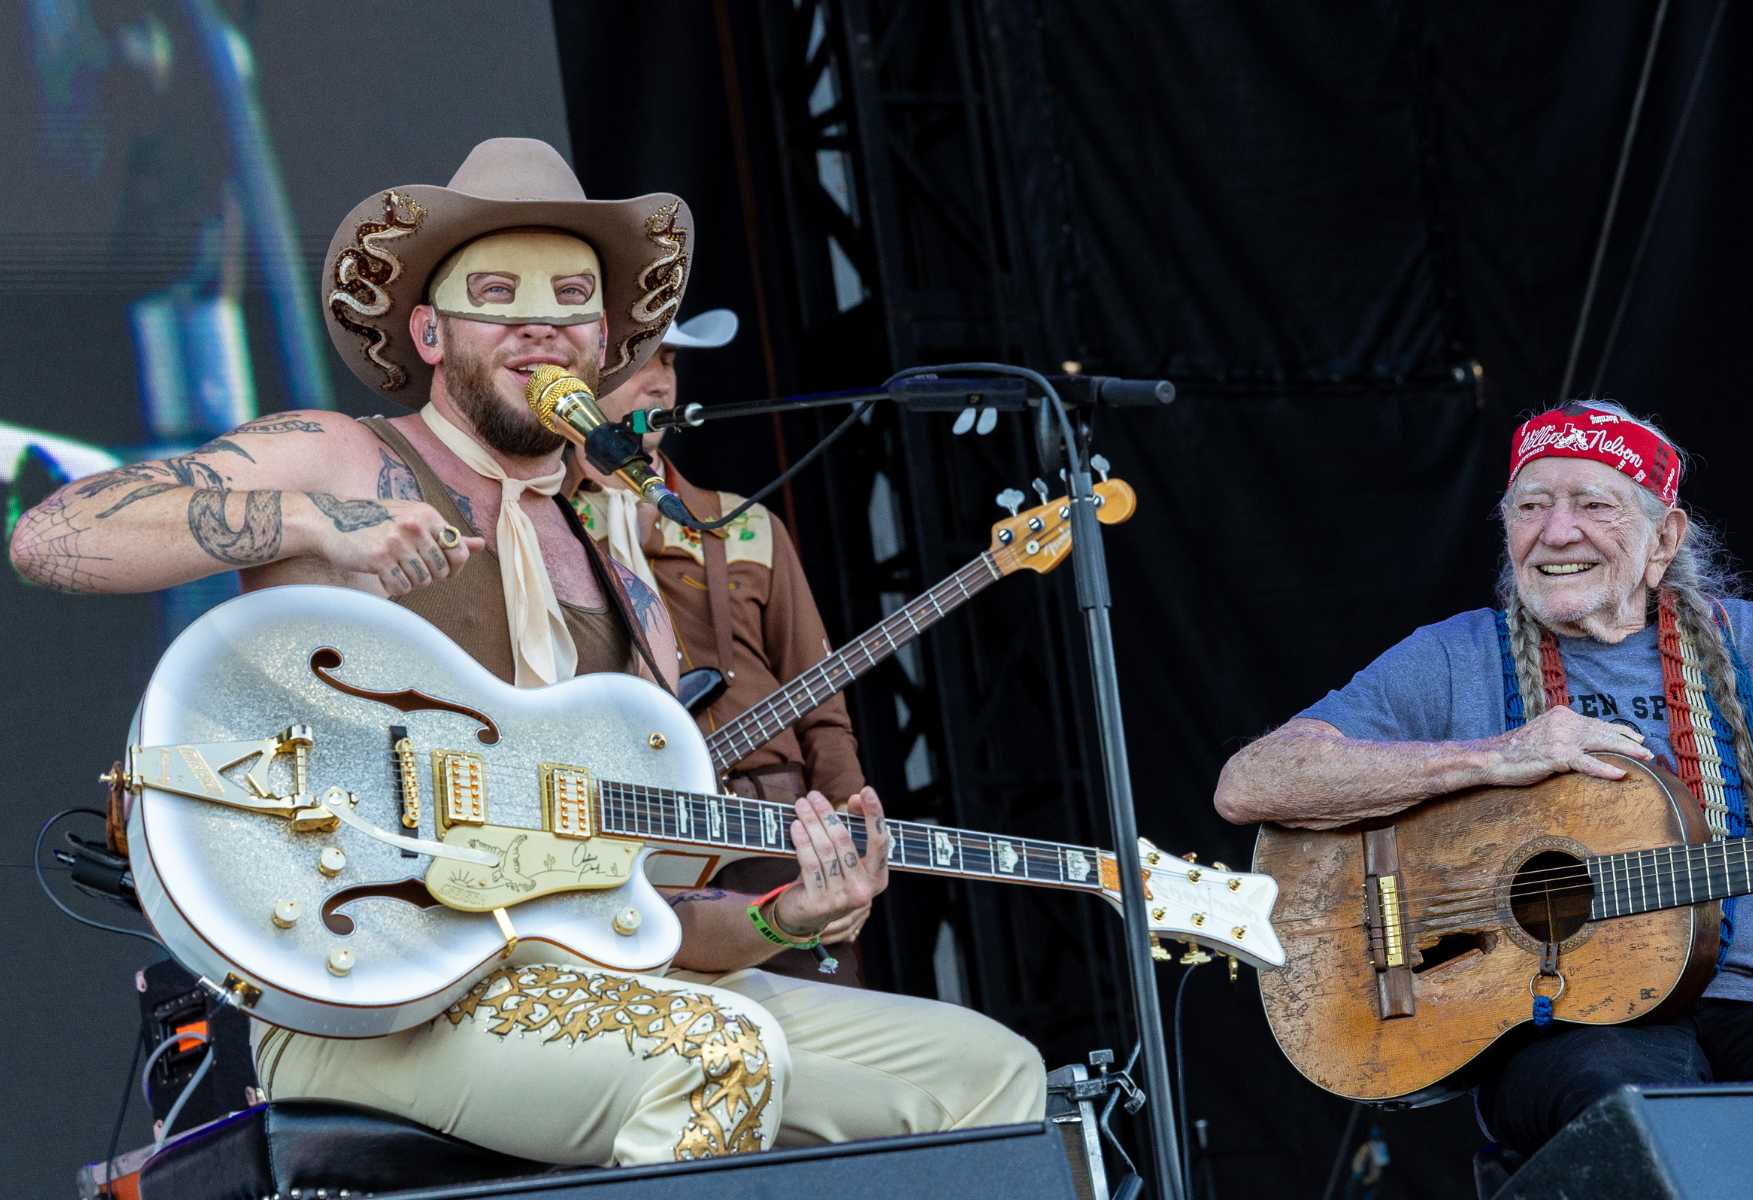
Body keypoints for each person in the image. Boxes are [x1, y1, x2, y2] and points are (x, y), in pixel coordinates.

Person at [10, 137, 1042, 1166]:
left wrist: (784, 917)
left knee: (987, 1073)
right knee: (723, 1054)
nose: (537, 327)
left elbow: (641, 910)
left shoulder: (625, 567)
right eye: (496, 294)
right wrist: (310, 522)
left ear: (604, 340)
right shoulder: (350, 455)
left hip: (579, 986)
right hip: (363, 993)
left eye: (567, 303)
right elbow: (54, 535)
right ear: (426, 329)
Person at [1212, 399, 1753, 1154]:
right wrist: (1495, 755)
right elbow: (1253, 784)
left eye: (1594, 504)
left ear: (1664, 538)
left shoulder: (1745, 638)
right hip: (1574, 1033)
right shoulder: (1453, 656)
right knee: (1640, 1126)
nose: (1557, 533)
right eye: (1530, 507)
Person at [570, 311, 873, 982]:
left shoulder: (745, 523)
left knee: (831, 1033)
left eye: (671, 363)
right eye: (640, 358)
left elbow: (823, 708)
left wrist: (851, 847)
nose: (660, 382)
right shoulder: (543, 523)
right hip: (635, 831)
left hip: (773, 826)